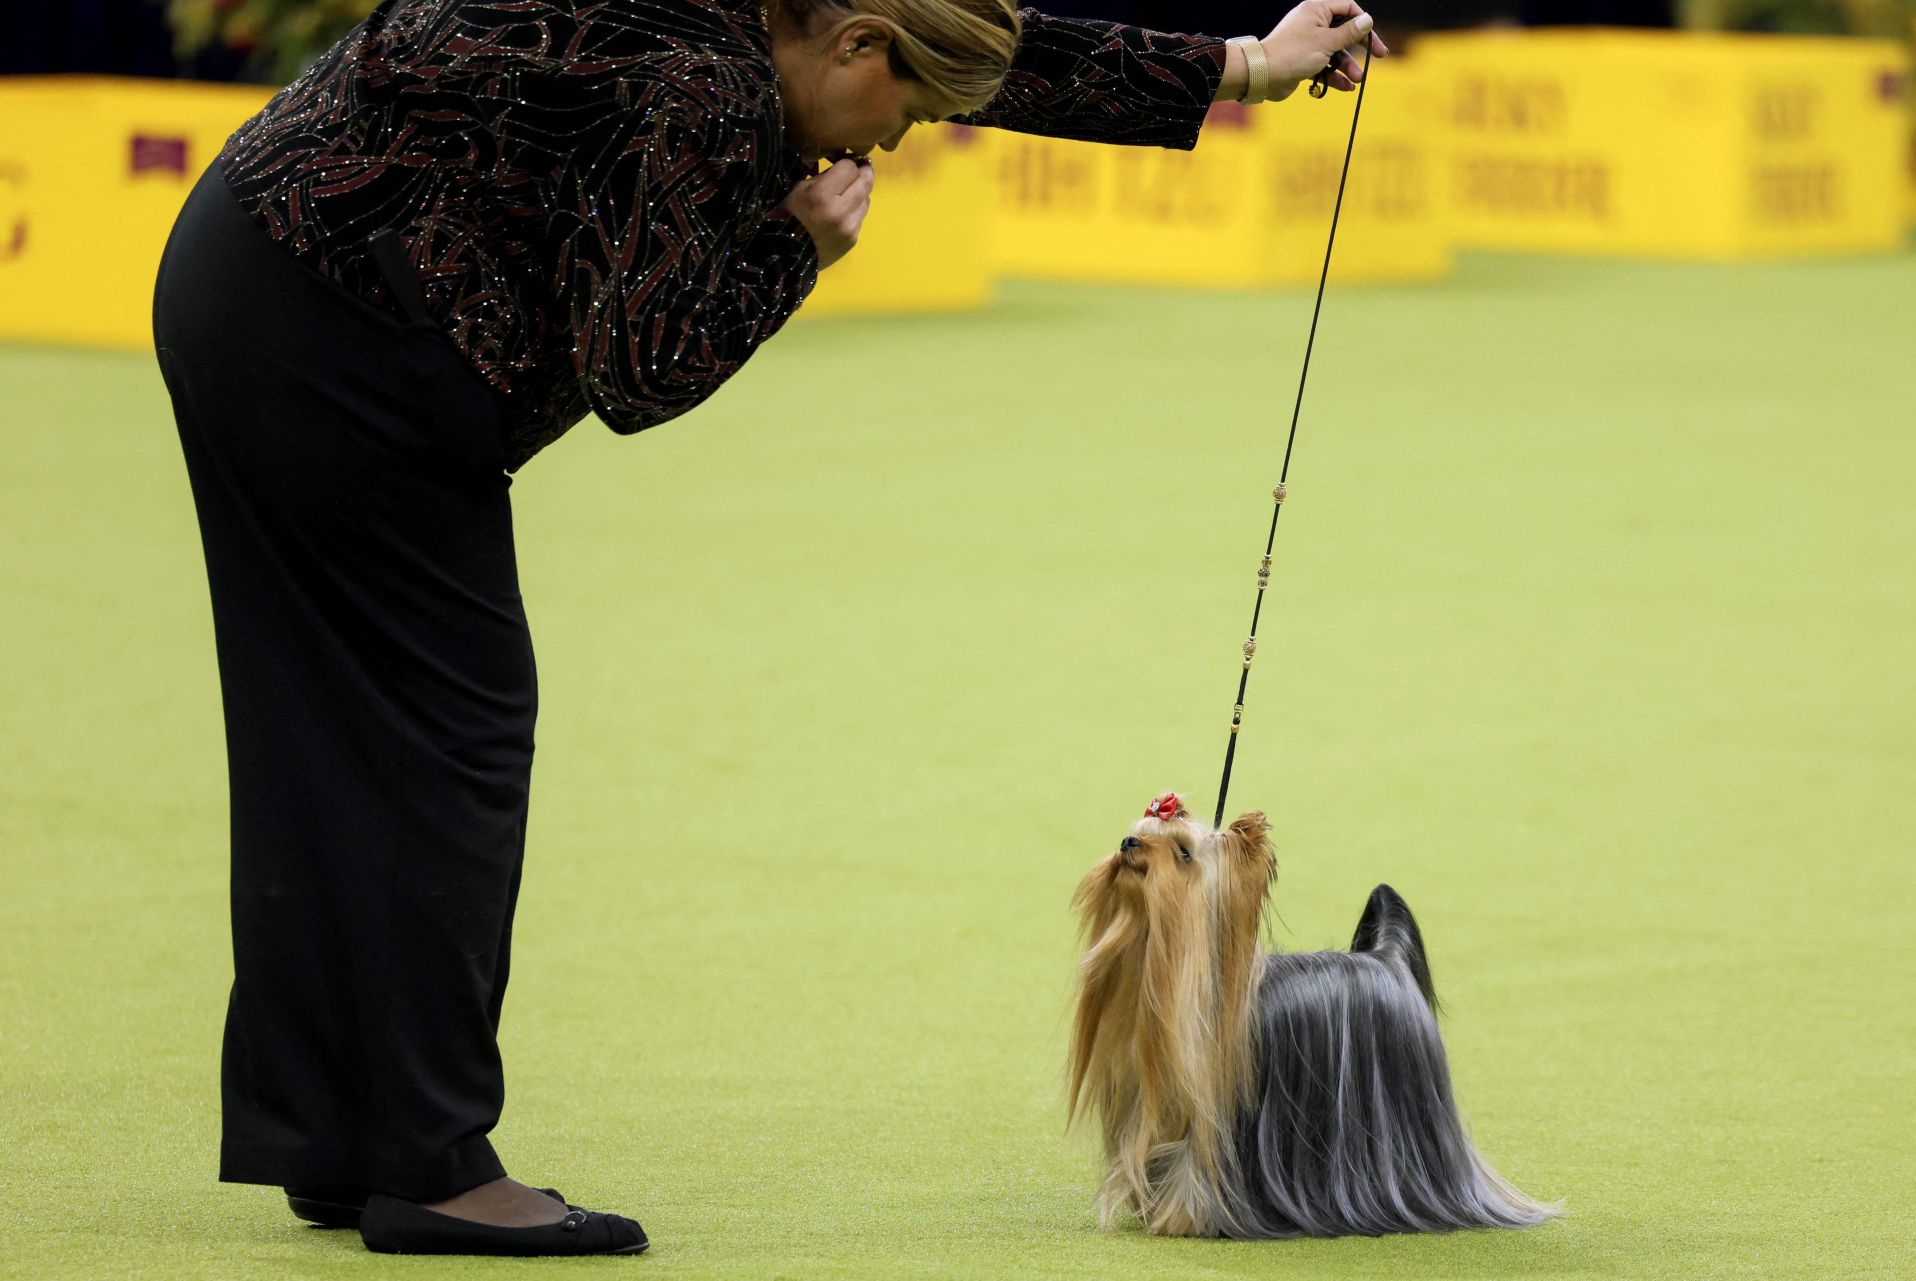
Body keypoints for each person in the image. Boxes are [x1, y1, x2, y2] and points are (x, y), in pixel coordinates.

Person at [153, 0, 1386, 1258]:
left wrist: (1246, 66)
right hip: (340, 335)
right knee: (449, 740)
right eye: (903, 115)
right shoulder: (709, 93)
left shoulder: (795, 26)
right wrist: (793, 254)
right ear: (854, 46)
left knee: (327, 733)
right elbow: (637, 367)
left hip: (255, 266)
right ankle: (426, 1164)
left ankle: (339, 1137)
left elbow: (983, 57)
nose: (899, 140)